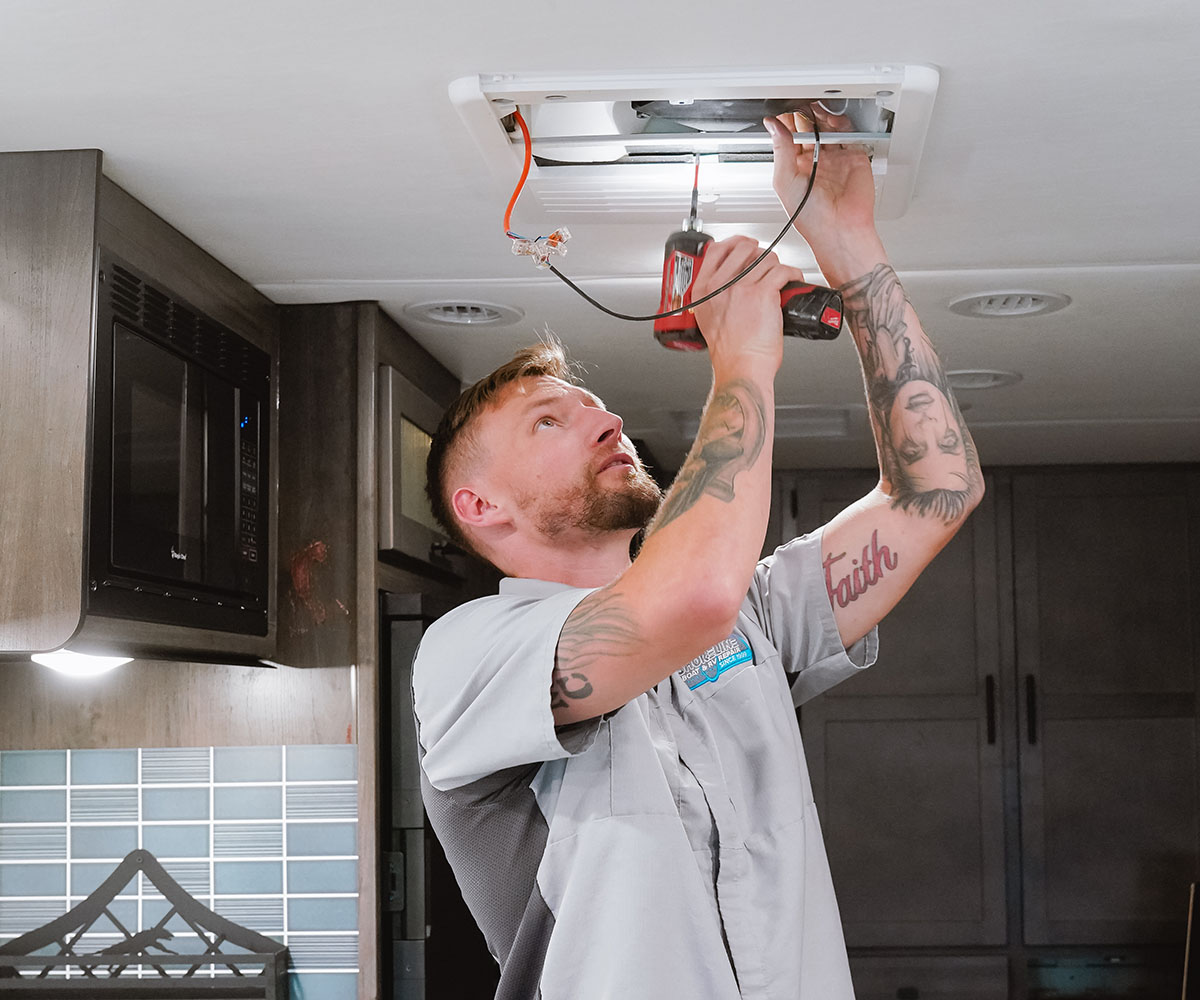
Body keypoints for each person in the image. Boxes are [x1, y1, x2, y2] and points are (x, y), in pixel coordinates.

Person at [412, 105, 983, 999]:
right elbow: (685, 602)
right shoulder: (464, 658)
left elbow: (936, 490)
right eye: (549, 419)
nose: (605, 418)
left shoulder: (750, 615)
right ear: (478, 504)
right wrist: (743, 363)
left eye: (595, 403)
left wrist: (848, 240)